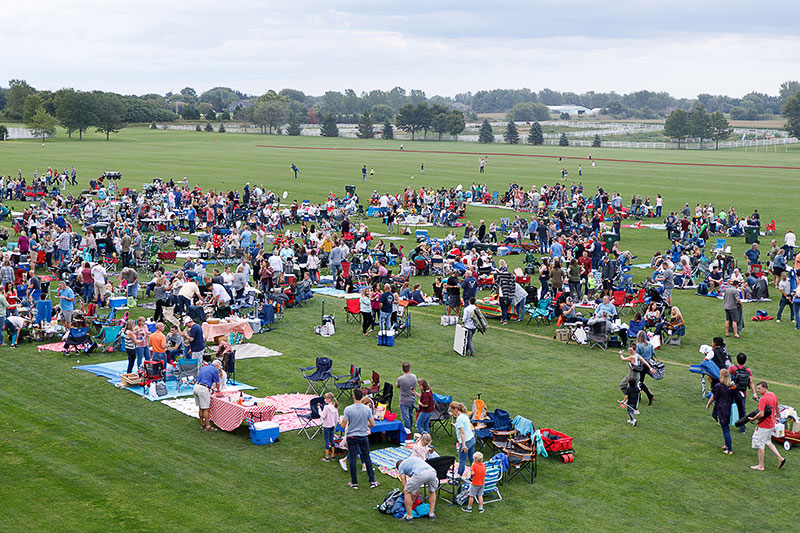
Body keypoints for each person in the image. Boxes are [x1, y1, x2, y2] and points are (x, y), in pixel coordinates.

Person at [341, 389, 379, 489]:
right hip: (363, 436)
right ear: (362, 396)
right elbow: (372, 424)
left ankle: (354, 483)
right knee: (367, 458)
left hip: (352, 436)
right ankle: (372, 481)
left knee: (352, 459)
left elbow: (343, 425)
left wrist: (341, 421)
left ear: (353, 396)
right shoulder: (367, 409)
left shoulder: (348, 409)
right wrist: (365, 425)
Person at [748, 382, 786, 471]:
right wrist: (777, 416)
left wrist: (753, 419)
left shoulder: (763, 399)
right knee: (768, 441)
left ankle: (761, 466)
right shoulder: (773, 395)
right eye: (757, 389)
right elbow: (777, 406)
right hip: (771, 424)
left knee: (760, 445)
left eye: (759, 389)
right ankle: (780, 458)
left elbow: (761, 414)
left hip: (764, 425)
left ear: (765, 388)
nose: (757, 391)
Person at [396, 456, 437, 522]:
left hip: (420, 473)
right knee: (432, 491)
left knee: (406, 491)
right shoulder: (412, 460)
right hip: (432, 471)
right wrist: (415, 492)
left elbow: (404, 481)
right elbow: (417, 482)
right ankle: (431, 514)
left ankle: (409, 517)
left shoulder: (401, 466)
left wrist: (408, 493)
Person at [706, 368, 735, 455]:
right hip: (729, 408)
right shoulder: (732, 386)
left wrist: (708, 404)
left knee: (725, 429)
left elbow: (713, 397)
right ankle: (727, 445)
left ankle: (729, 449)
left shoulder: (718, 386)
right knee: (725, 428)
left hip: (722, 409)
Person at [729, 352, 758, 433]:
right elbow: (751, 382)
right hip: (743, 393)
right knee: (742, 410)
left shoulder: (732, 368)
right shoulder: (748, 370)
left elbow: (726, 378)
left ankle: (725, 422)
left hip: (733, 391)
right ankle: (742, 428)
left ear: (737, 360)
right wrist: (754, 393)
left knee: (728, 406)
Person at [194, 360, 221, 431]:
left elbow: (204, 379)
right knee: (206, 409)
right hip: (203, 389)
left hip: (196, 387)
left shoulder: (204, 367)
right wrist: (218, 391)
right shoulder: (215, 370)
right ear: (217, 366)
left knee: (200, 407)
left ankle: (202, 424)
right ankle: (208, 426)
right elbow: (217, 383)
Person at [450, 401, 475, 478]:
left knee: (462, 462)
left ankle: (458, 478)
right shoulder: (464, 415)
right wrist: (456, 425)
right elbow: (464, 427)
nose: (451, 412)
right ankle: (473, 476)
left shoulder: (459, 419)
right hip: (472, 439)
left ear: (455, 409)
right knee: (472, 460)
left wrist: (463, 445)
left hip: (466, 442)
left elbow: (462, 432)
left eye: (451, 410)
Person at [396, 362, 417, 432]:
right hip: (412, 399)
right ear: (409, 368)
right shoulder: (414, 376)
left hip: (404, 401)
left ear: (402, 369)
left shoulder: (400, 379)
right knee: (410, 415)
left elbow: (397, 385)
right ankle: (410, 428)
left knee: (406, 417)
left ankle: (408, 431)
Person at [320, 392, 339, 462]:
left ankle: (327, 457)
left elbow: (323, 416)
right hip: (332, 425)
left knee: (326, 440)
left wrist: (319, 409)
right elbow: (337, 417)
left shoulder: (326, 407)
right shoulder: (335, 407)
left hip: (326, 426)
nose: (324, 400)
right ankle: (333, 456)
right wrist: (334, 423)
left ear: (329, 399)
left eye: (325, 398)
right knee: (332, 440)